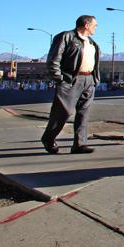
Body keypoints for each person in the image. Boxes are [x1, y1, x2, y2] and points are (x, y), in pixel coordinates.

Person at [40, 15, 101, 155]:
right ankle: (48, 138)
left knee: (84, 113)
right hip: (70, 79)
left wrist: (95, 80)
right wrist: (59, 78)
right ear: (86, 25)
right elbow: (54, 58)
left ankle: (79, 144)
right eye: (94, 25)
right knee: (63, 112)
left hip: (89, 80)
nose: (96, 27)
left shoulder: (92, 43)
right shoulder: (66, 37)